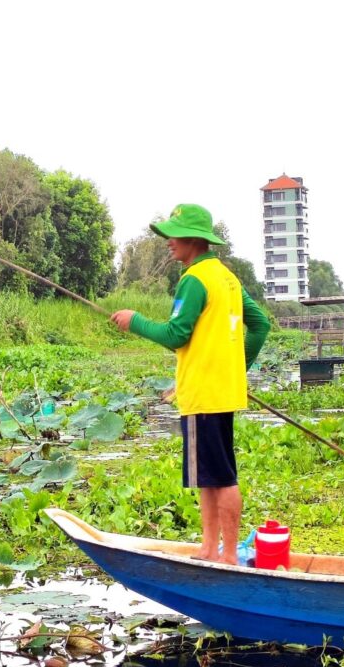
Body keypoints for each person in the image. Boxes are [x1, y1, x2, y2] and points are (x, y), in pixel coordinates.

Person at [111, 203, 270, 564]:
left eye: (174, 235)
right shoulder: (227, 278)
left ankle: (226, 556)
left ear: (193, 240)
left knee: (222, 476)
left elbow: (176, 334)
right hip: (220, 391)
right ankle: (209, 549)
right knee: (210, 475)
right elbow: (260, 324)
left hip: (203, 393)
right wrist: (236, 369)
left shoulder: (195, 279)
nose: (168, 241)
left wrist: (134, 320)